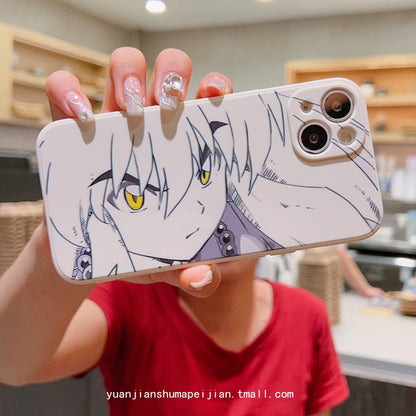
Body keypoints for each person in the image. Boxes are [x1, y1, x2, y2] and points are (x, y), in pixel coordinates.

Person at [0, 47, 349, 415]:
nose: (199, 213)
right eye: (144, 195)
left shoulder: (306, 315)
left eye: (210, 174)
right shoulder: (131, 304)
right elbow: (11, 361)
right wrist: (66, 239)